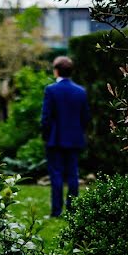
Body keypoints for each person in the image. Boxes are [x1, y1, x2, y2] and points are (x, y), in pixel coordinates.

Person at [41, 55, 90, 217]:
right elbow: (86, 118)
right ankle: (72, 210)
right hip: (75, 139)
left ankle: (56, 211)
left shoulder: (51, 90)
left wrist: (46, 136)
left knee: (56, 175)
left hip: (55, 140)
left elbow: (46, 118)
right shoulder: (81, 91)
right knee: (73, 175)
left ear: (56, 71)